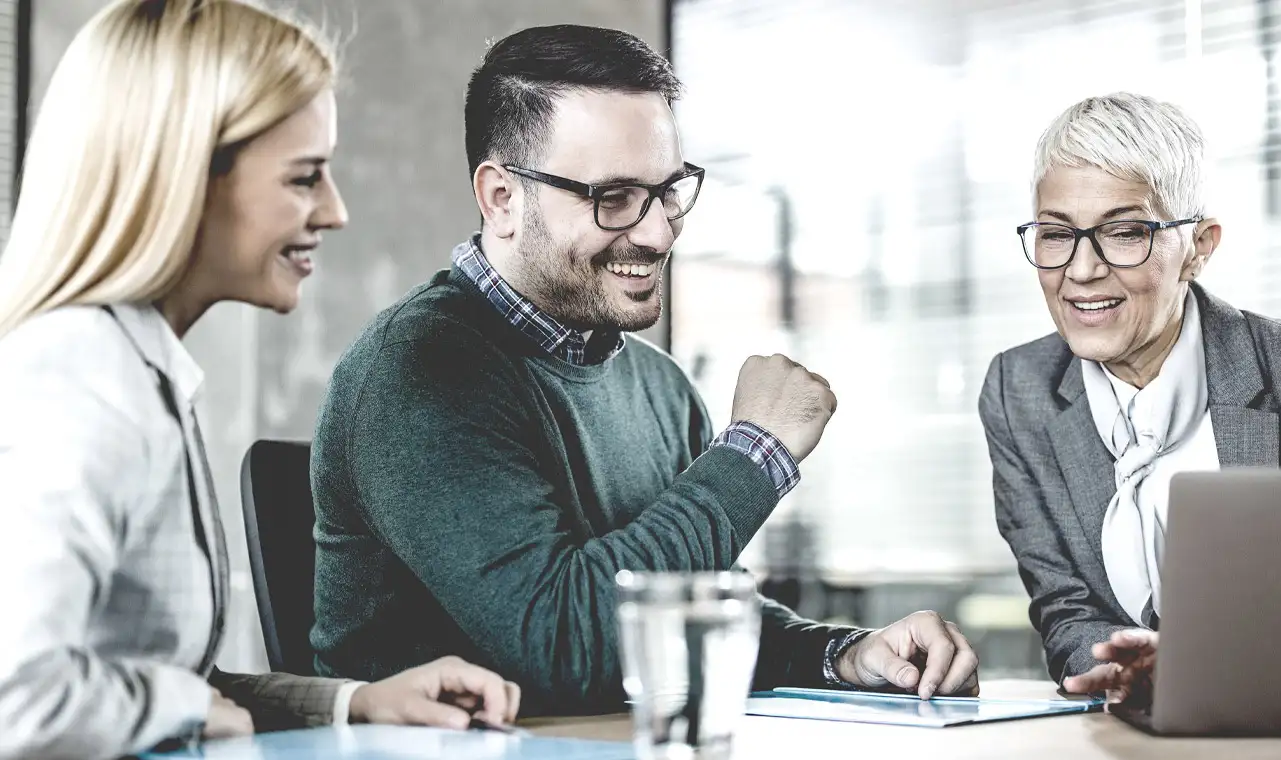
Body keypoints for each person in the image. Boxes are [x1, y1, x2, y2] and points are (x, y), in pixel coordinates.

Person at [309, 24, 979, 716]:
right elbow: (566, 645)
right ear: (502, 199)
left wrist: (843, 655)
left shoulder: (659, 387)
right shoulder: (420, 368)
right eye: (615, 198)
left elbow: (685, 623)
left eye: (669, 191)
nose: (658, 232)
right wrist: (757, 453)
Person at [0, 2, 519, 758]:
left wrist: (357, 704)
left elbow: (159, 683)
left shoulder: (138, 369)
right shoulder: (82, 377)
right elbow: (18, 696)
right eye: (305, 177)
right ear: (179, 176)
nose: (335, 211)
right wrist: (188, 706)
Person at [978, 92, 1281, 704]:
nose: (1080, 270)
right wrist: (1124, 673)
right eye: (1056, 235)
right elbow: (1065, 606)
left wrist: (1202, 668)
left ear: (1200, 248)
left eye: (1123, 233)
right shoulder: (1017, 388)